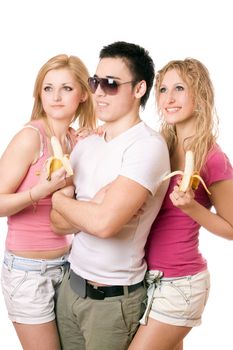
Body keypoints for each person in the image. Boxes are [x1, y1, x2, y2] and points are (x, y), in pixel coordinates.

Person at [50, 41, 170, 350]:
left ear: (139, 88)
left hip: (112, 303)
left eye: (111, 84)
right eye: (95, 82)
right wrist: (89, 208)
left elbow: (105, 224)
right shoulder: (87, 143)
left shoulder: (146, 147)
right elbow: (57, 223)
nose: (99, 92)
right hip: (70, 288)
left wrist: (63, 201)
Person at [128, 58, 233, 350]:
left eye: (179, 89)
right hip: (144, 277)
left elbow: (232, 228)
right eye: (162, 89)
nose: (169, 98)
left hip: (180, 284)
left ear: (199, 97)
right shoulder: (157, 145)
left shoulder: (211, 158)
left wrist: (193, 209)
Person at [0, 54, 96, 350]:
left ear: (82, 94)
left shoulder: (76, 140)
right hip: (28, 273)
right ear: (38, 94)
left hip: (70, 267)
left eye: (66, 88)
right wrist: (38, 192)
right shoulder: (31, 138)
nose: (56, 96)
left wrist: (100, 138)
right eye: (48, 88)